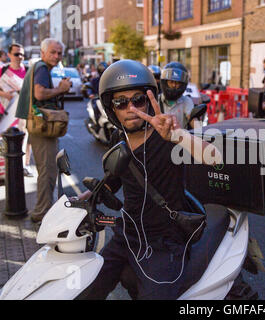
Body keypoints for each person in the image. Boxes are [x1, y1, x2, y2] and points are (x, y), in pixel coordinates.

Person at [78, 59, 222, 300]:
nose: (131, 108)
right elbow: (116, 177)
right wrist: (90, 196)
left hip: (163, 242)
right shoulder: (118, 137)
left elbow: (214, 157)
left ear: (149, 100)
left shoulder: (167, 137)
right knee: (87, 289)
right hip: (127, 234)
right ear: (111, 108)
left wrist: (178, 135)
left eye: (138, 100)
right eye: (121, 102)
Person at [15, 38, 72, 223]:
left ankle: (44, 211)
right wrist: (61, 89)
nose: (56, 56)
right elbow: (39, 94)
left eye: (59, 53)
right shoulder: (41, 68)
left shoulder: (40, 67)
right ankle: (42, 214)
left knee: (46, 170)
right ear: (43, 52)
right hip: (42, 127)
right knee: (47, 171)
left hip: (39, 126)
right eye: (53, 52)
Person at [0, 43, 32, 176]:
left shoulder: (28, 71)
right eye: (16, 54)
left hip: (22, 111)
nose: (20, 57)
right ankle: (4, 167)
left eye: (22, 54)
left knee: (26, 137)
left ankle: (25, 165)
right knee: (3, 139)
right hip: (4, 111)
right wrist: (4, 94)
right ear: (9, 55)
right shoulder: (3, 70)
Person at [159, 62, 200, 129]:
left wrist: (201, 132)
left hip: (180, 138)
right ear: (165, 82)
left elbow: (194, 121)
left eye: (177, 83)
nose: (174, 85)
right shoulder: (156, 100)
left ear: (182, 84)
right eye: (171, 82)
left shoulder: (186, 101)